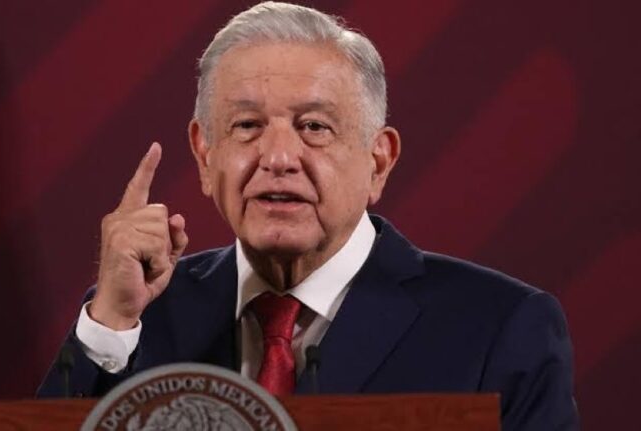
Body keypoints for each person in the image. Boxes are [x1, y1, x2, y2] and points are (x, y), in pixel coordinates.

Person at [38, 2, 577, 429]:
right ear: (205, 156)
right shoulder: (141, 315)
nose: (277, 157)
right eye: (247, 126)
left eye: (314, 127)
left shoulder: (499, 326)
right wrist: (108, 324)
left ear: (378, 162)